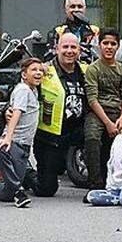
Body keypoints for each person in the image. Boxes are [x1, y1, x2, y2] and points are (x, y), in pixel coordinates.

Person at [33, 32, 87, 197]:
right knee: (47, 189)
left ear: (79, 50)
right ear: (57, 49)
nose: (69, 51)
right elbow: (24, 91)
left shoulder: (87, 70)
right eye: (65, 47)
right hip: (50, 138)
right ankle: (27, 174)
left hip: (78, 133)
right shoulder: (44, 71)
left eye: (73, 47)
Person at [0, 57, 45, 208]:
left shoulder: (33, 90)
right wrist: (7, 137)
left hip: (25, 145)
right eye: (34, 70)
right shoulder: (23, 90)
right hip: (15, 142)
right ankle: (19, 192)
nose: (38, 73)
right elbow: (16, 113)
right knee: (0, 148)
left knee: (7, 194)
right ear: (24, 74)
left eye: (40, 70)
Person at [84, 28, 122, 190]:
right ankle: (95, 184)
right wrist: (108, 123)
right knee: (92, 138)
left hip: (119, 113)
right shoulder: (93, 69)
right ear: (99, 46)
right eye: (105, 43)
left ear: (118, 46)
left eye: (113, 44)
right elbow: (92, 99)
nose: (109, 47)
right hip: (97, 113)